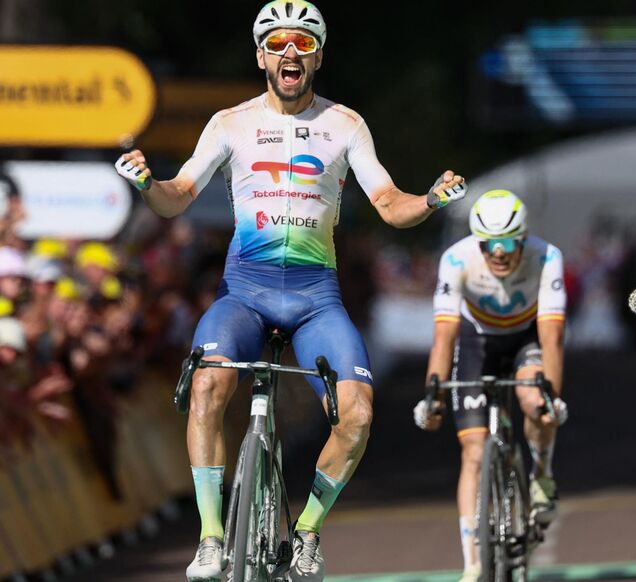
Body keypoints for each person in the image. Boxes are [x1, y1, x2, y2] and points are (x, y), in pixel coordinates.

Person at [115, 2, 467, 580]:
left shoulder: (345, 124)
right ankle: (209, 538)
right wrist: (148, 182)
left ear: (318, 56)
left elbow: (389, 204)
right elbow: (177, 194)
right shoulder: (230, 123)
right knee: (207, 386)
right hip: (244, 294)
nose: (289, 53)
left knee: (356, 413)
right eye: (277, 43)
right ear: (261, 56)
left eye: (303, 44)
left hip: (314, 301)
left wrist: (429, 200)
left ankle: (306, 530)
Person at [413, 190, 568, 582]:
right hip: (477, 340)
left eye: (507, 243)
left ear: (523, 238)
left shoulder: (546, 256)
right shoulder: (456, 258)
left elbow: (552, 337)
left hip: (527, 338)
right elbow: (444, 336)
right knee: (473, 451)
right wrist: (433, 394)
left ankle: (542, 475)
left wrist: (553, 396)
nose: (497, 253)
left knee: (535, 400)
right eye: (488, 245)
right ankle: (473, 562)